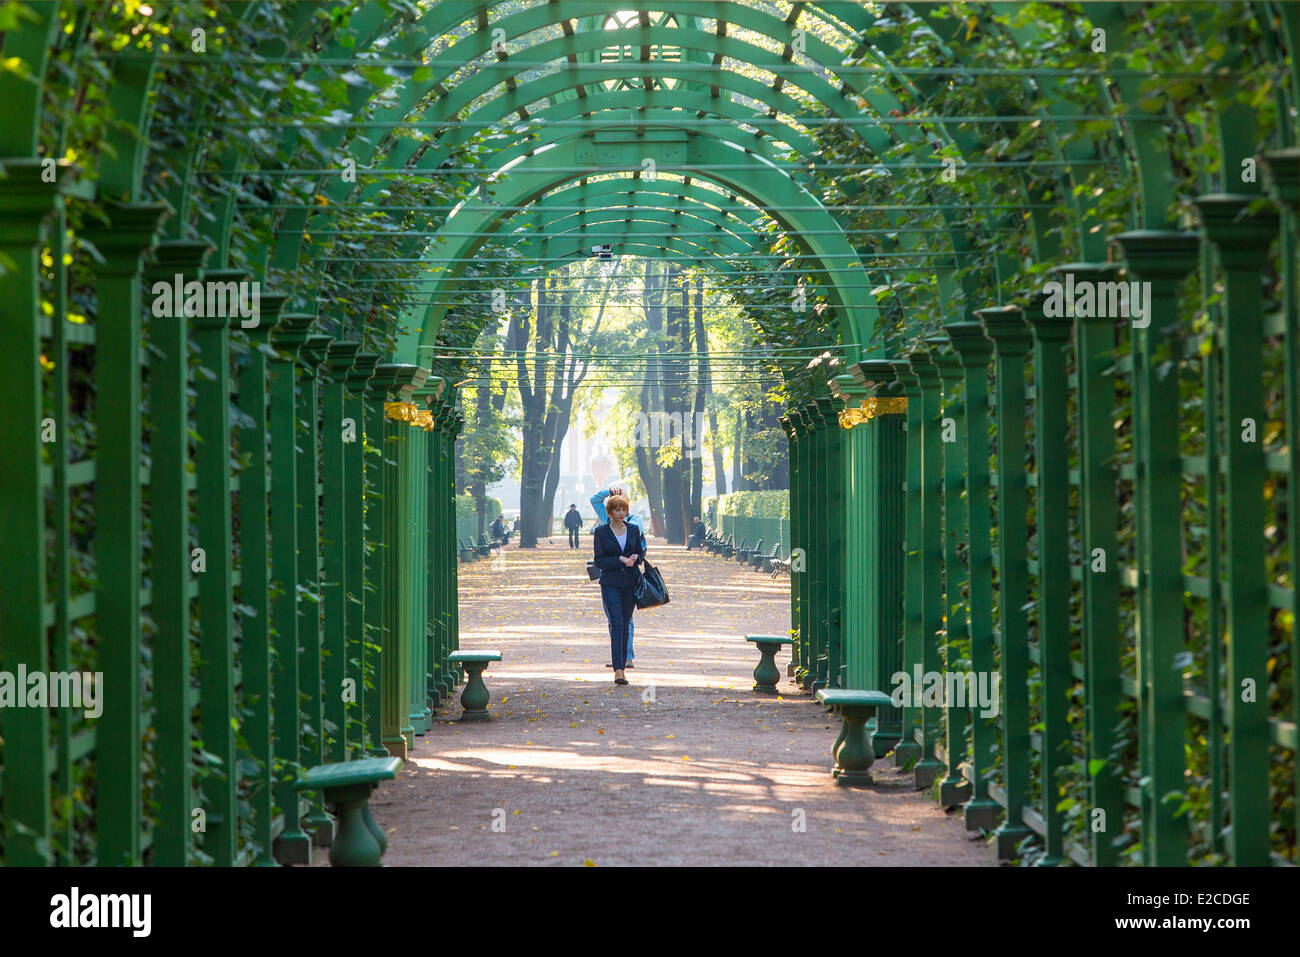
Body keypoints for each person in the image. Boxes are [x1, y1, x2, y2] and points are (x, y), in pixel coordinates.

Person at [592, 494, 645, 685]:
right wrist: (620, 560)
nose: (621, 513)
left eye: (623, 509)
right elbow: (599, 560)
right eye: (617, 509)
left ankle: (622, 665)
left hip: (630, 583)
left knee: (625, 624)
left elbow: (641, 552)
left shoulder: (633, 529)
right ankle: (618, 670)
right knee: (616, 623)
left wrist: (634, 558)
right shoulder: (601, 532)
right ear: (610, 512)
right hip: (611, 583)